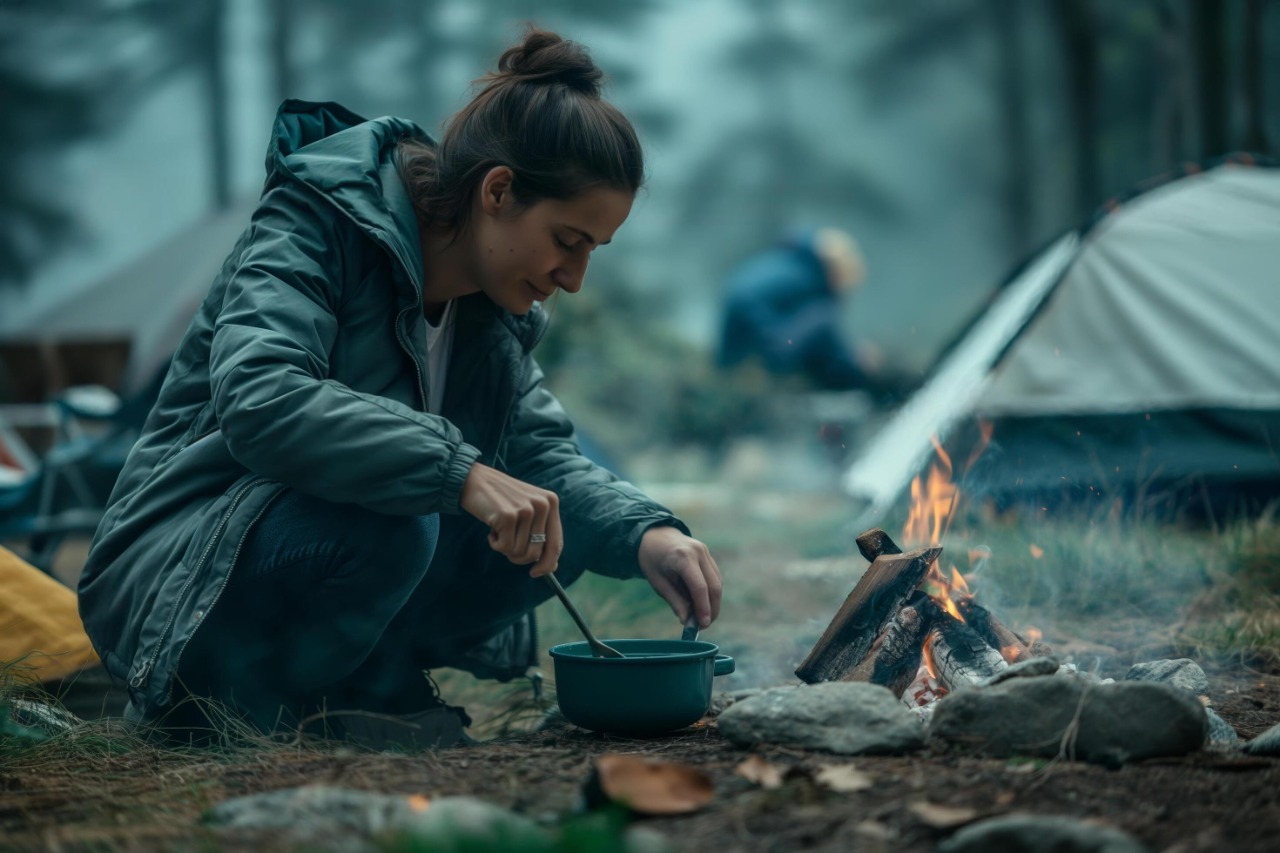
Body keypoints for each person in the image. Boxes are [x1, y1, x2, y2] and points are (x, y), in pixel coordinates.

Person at [77, 29, 722, 748]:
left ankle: (371, 686)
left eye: (592, 251)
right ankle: (231, 708)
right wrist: (459, 471)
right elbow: (261, 396)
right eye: (567, 241)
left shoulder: (491, 310)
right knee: (401, 516)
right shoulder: (316, 221)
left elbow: (545, 460)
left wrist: (647, 532)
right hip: (182, 569)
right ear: (498, 191)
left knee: (553, 518)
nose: (574, 278)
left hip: (325, 552)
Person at [716, 227, 890, 394]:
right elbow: (743, 299)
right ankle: (858, 372)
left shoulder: (791, 261)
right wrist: (771, 335)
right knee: (824, 318)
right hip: (765, 348)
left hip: (739, 345)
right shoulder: (808, 276)